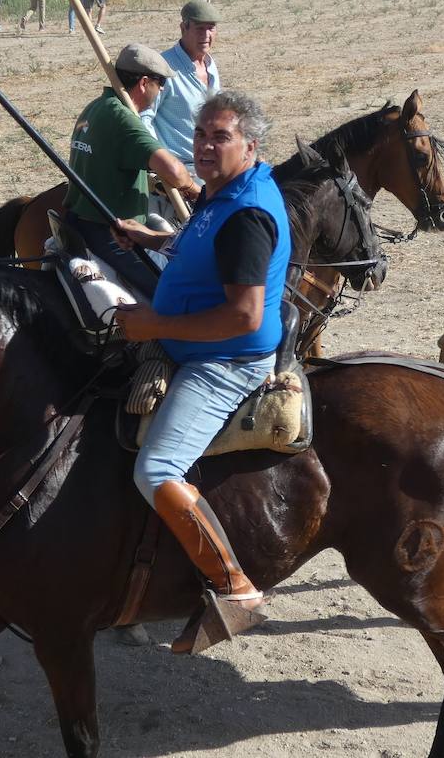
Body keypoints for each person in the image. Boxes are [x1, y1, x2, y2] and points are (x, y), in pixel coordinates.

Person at [112, 91, 292, 622]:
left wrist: (154, 325)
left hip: (225, 363)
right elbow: (202, 247)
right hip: (193, 343)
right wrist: (150, 237)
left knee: (156, 469)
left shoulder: (246, 215)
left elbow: (244, 316)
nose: (206, 147)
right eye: (200, 135)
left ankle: (233, 586)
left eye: (221, 137)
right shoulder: (227, 191)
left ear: (250, 145)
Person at [63, 43, 201, 297]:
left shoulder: (95, 107)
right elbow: (173, 169)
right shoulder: (124, 120)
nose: (161, 90)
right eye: (160, 83)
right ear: (144, 82)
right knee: (171, 293)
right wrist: (193, 189)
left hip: (85, 216)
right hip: (110, 230)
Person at [143, 0, 221, 171]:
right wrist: (163, 163)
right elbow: (144, 118)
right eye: (200, 28)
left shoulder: (210, 65)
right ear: (183, 28)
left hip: (210, 162)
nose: (206, 35)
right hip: (181, 168)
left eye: (211, 28)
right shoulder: (163, 67)